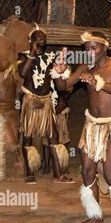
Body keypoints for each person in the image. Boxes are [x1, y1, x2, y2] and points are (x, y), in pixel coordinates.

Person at [52, 31, 111, 223]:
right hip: (91, 125)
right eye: (86, 48)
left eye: (93, 47)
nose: (89, 51)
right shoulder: (84, 67)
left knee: (109, 175)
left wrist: (98, 82)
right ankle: (95, 214)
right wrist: (59, 71)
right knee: (88, 171)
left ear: (104, 48)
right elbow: (63, 86)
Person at [17, 25, 70, 184]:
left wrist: (62, 68)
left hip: (46, 101)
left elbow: (60, 80)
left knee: (54, 137)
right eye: (38, 36)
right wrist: (32, 53)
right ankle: (29, 173)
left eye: (43, 37)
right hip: (30, 101)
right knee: (28, 138)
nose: (42, 39)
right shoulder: (24, 56)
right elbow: (23, 73)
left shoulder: (52, 57)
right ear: (31, 40)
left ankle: (58, 173)